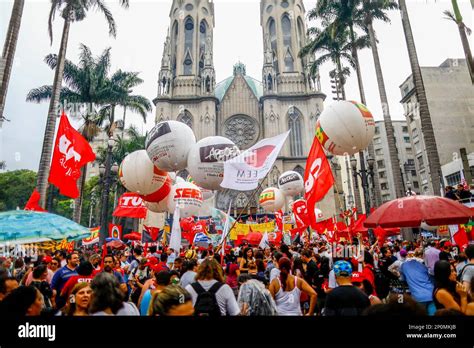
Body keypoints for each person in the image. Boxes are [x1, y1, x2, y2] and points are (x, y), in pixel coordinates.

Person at [399, 249, 436, 315]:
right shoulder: (423, 265)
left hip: (418, 297)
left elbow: (402, 279)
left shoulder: (403, 266)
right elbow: (431, 278)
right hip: (431, 294)